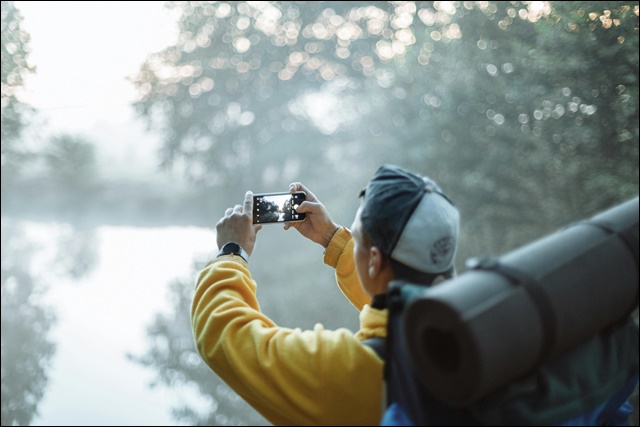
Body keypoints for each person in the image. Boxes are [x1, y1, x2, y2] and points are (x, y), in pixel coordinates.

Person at [190, 164, 460, 426]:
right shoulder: (472, 321)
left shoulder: (349, 373)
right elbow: (393, 296)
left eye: (357, 238)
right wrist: (332, 238)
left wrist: (232, 251)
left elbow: (225, 334)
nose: (354, 244)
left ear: (375, 261)